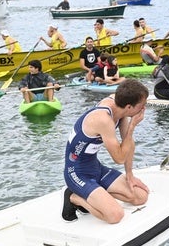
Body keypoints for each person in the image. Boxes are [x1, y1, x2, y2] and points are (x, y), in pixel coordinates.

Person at [62, 79, 149, 223]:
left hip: (95, 168)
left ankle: (96, 192)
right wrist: (133, 126)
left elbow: (128, 142)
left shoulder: (120, 106)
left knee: (141, 196)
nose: (143, 109)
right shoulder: (103, 119)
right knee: (115, 216)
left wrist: (130, 175)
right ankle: (75, 198)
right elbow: (119, 158)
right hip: (76, 173)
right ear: (129, 107)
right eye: (142, 106)